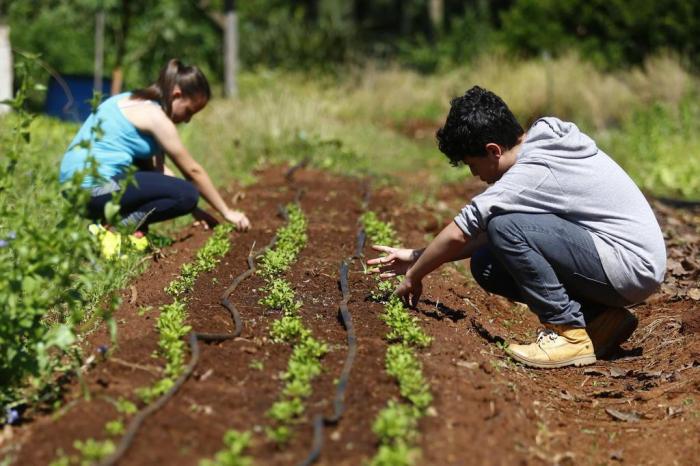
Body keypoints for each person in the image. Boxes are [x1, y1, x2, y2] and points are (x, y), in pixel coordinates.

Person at [368, 86, 666, 369]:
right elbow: (480, 235)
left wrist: (414, 275)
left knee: (504, 227)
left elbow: (464, 229)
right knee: (487, 263)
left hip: (628, 267)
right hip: (624, 263)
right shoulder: (540, 143)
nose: (474, 175)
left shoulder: (532, 171)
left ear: (493, 150)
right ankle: (599, 320)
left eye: (473, 165)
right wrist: (418, 256)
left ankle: (568, 334)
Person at [59, 58, 250, 256]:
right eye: (188, 111)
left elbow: (158, 173)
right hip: (95, 189)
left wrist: (194, 209)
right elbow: (193, 171)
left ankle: (119, 233)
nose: (187, 120)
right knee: (188, 193)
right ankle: (114, 230)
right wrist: (227, 212)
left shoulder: (131, 100)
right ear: (177, 94)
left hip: (82, 189)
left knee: (182, 194)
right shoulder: (155, 116)